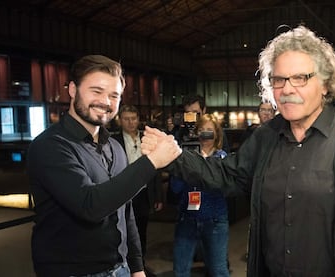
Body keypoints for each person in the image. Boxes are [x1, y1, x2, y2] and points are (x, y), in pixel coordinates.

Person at [142, 26, 335, 276]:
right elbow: (227, 174)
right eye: (279, 79)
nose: (286, 89)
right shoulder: (267, 136)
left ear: (326, 83)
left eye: (300, 78)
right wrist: (175, 157)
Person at [27, 55, 181, 277]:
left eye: (114, 95)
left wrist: (136, 267)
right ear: (72, 89)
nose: (106, 102)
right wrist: (152, 162)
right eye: (96, 91)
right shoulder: (50, 146)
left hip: (120, 269)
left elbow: (125, 212)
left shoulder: (114, 147)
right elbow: (90, 205)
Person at [170, 113, 229, 277]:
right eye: (201, 130)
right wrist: (184, 166)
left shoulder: (222, 158)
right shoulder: (185, 156)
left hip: (215, 220)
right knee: (180, 270)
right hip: (187, 219)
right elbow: (175, 187)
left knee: (218, 269)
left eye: (209, 130)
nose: (205, 134)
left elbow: (222, 188)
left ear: (216, 133)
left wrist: (198, 171)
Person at [112, 105, 164, 265]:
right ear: (120, 121)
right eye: (126, 119)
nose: (130, 122)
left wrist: (158, 196)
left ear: (138, 120)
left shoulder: (146, 139)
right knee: (121, 228)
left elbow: (157, 170)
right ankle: (124, 262)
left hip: (143, 192)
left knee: (141, 228)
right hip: (123, 191)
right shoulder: (114, 141)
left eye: (133, 118)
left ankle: (140, 262)